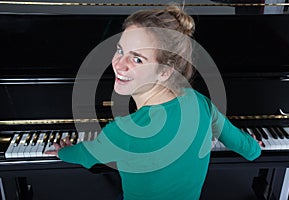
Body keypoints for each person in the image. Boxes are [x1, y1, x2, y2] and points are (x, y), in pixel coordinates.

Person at [46, 5, 262, 200]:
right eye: (120, 50)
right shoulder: (201, 103)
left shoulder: (125, 131)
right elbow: (250, 150)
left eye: (137, 59)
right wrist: (254, 145)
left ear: (165, 71)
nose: (119, 65)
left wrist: (63, 151)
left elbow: (84, 155)